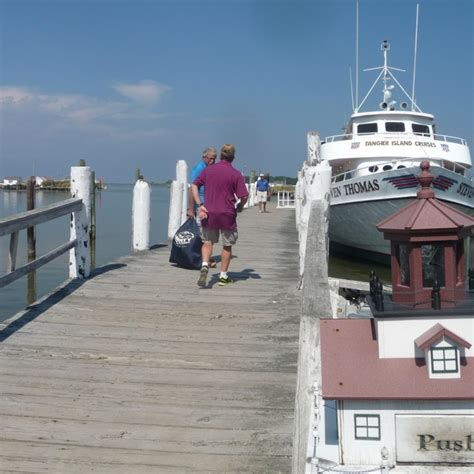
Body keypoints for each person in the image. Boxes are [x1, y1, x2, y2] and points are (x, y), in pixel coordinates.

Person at [191, 144, 249, 287]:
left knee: (207, 242)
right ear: (233, 157)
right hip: (227, 213)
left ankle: (205, 265)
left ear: (221, 156)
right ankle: (223, 276)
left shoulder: (209, 170)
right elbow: (244, 196)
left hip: (209, 212)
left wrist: (200, 205)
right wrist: (240, 207)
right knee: (227, 245)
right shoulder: (236, 174)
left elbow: (194, 185)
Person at [187, 147, 217, 267]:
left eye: (214, 159)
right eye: (210, 159)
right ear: (204, 157)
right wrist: (191, 209)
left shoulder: (210, 168)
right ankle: (204, 259)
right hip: (201, 205)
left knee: (208, 233)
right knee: (204, 234)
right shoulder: (199, 169)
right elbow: (192, 189)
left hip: (210, 205)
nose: (212, 161)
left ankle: (205, 258)